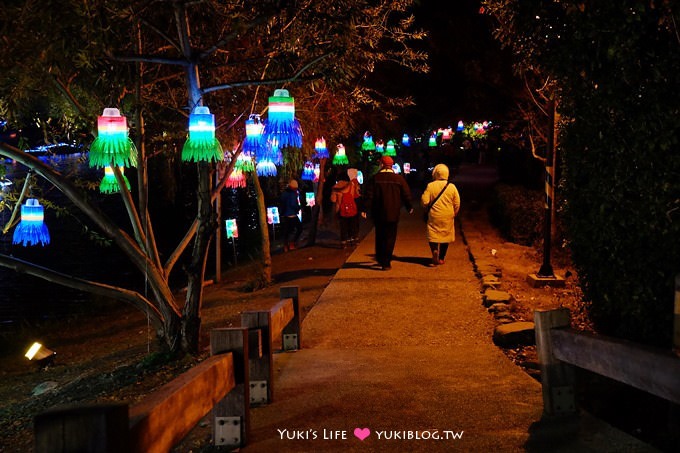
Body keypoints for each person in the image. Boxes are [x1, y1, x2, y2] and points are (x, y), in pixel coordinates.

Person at [362, 155, 413, 270]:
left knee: (380, 236)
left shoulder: (375, 178)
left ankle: (380, 258)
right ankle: (386, 261)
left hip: (378, 213)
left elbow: (369, 195)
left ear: (381, 164)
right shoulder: (398, 179)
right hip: (393, 213)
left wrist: (365, 209)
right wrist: (409, 206)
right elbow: (406, 193)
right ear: (392, 165)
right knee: (390, 237)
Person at [421, 163, 461, 266]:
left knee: (433, 234)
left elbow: (424, 201)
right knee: (445, 236)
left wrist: (426, 207)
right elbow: (457, 202)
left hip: (434, 215)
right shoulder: (451, 187)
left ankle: (434, 250)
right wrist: (454, 213)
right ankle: (442, 258)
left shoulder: (430, 186)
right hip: (447, 215)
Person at [330, 169, 361, 247]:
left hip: (341, 209)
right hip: (351, 208)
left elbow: (333, 200)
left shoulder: (335, 188)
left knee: (343, 226)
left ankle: (344, 242)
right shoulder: (351, 185)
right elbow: (355, 196)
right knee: (352, 224)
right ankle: (353, 239)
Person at [280, 178, 303, 251]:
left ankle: (286, 246)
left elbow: (282, 203)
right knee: (299, 228)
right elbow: (293, 204)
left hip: (286, 215)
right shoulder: (293, 194)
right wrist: (298, 208)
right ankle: (292, 243)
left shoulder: (284, 193)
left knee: (287, 231)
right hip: (292, 215)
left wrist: (282, 212)